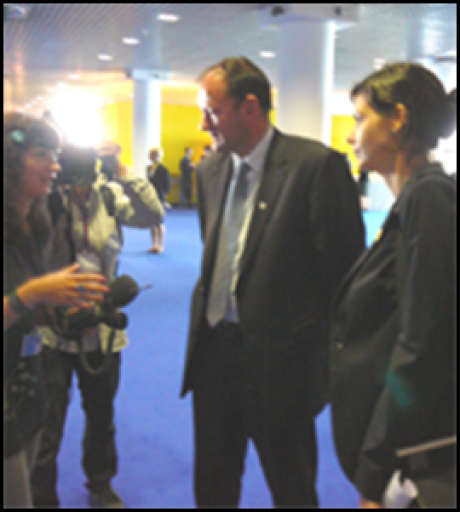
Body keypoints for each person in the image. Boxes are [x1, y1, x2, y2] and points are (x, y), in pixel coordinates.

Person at [180, 57, 365, 508]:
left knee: (292, 490)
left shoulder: (315, 166)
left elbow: (344, 277)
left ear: (250, 107)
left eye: (213, 111)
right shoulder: (210, 170)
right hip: (213, 358)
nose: (204, 124)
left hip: (281, 370)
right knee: (213, 487)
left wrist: (326, 368)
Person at [329, 63, 456, 508]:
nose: (351, 135)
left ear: (398, 118)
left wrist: (375, 469)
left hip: (412, 461)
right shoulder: (412, 202)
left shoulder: (429, 197)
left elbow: (423, 345)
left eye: (360, 118)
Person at [30, 144, 164, 509]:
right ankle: (42, 497)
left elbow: (153, 213)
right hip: (53, 328)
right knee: (47, 422)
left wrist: (122, 169)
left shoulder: (109, 195)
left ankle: (101, 483)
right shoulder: (47, 198)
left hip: (102, 328)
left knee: (102, 416)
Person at [3, 113, 109, 509]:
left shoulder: (34, 222)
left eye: (57, 155)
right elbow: (21, 298)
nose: (56, 166)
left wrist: (61, 309)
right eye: (42, 154)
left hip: (26, 390)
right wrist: (31, 295)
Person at [147, 147, 171, 253]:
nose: (150, 156)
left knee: (159, 222)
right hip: (150, 197)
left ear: (158, 156)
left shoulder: (163, 169)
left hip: (159, 197)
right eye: (150, 154)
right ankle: (153, 244)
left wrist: (163, 197)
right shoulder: (148, 168)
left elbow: (167, 185)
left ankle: (160, 245)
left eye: (152, 154)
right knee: (152, 222)